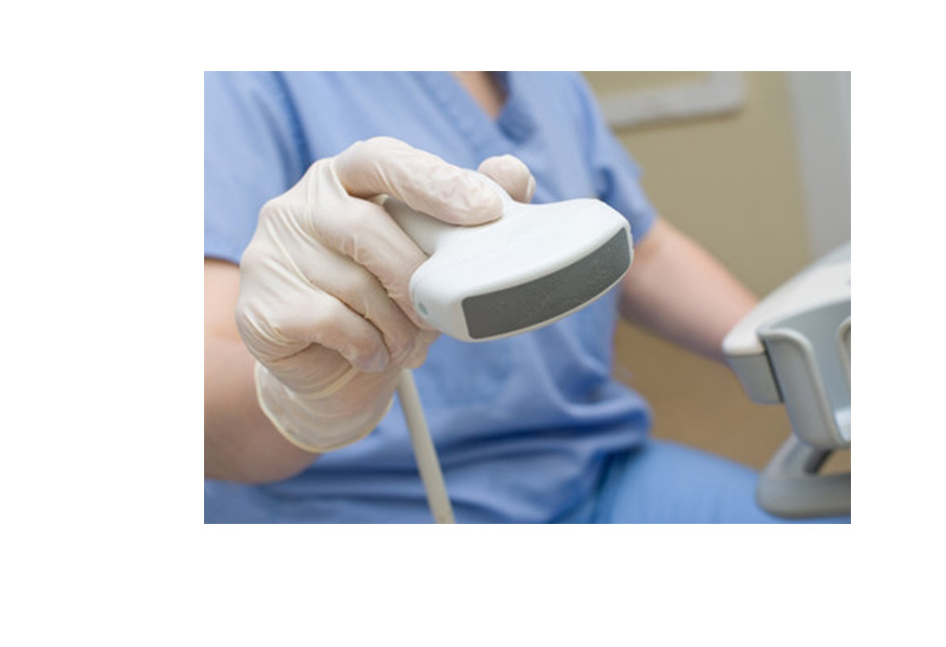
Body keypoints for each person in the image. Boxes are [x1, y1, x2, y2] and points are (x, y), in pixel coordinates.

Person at [205, 71, 842, 523]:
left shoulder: (543, 74)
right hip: (373, 504)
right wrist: (303, 398)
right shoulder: (239, 81)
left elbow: (641, 248)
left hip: (593, 464)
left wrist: (811, 356)